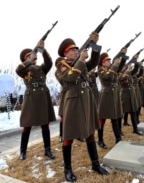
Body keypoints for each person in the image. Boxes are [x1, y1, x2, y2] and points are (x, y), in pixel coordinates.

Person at [56, 33, 108, 182]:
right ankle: (68, 169)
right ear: (65, 53)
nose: (75, 52)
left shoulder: (81, 63)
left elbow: (93, 62)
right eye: (72, 50)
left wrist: (94, 46)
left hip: (86, 100)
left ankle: (95, 164)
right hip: (72, 103)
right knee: (69, 137)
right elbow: (69, 78)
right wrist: (80, 60)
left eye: (76, 50)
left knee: (90, 133)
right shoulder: (61, 66)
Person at [15, 40, 56, 160]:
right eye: (29, 55)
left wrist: (43, 50)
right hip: (31, 98)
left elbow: (49, 63)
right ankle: (23, 151)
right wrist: (29, 60)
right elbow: (18, 70)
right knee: (27, 125)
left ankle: (47, 150)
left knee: (45, 124)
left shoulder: (41, 68)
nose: (33, 57)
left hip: (43, 96)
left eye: (33, 55)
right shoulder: (24, 69)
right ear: (25, 59)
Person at [97, 50, 126, 149]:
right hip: (106, 97)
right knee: (102, 120)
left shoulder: (111, 69)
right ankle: (100, 140)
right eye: (107, 60)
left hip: (114, 97)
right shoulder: (100, 70)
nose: (110, 62)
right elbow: (107, 76)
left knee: (115, 119)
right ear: (102, 62)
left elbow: (119, 67)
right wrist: (114, 65)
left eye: (110, 60)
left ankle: (118, 139)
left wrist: (122, 55)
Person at [119, 64, 143, 135]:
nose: (126, 68)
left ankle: (135, 129)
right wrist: (127, 71)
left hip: (131, 95)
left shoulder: (129, 73)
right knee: (121, 113)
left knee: (133, 113)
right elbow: (121, 79)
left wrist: (137, 64)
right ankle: (119, 130)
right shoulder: (119, 73)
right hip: (125, 95)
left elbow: (136, 72)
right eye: (125, 67)